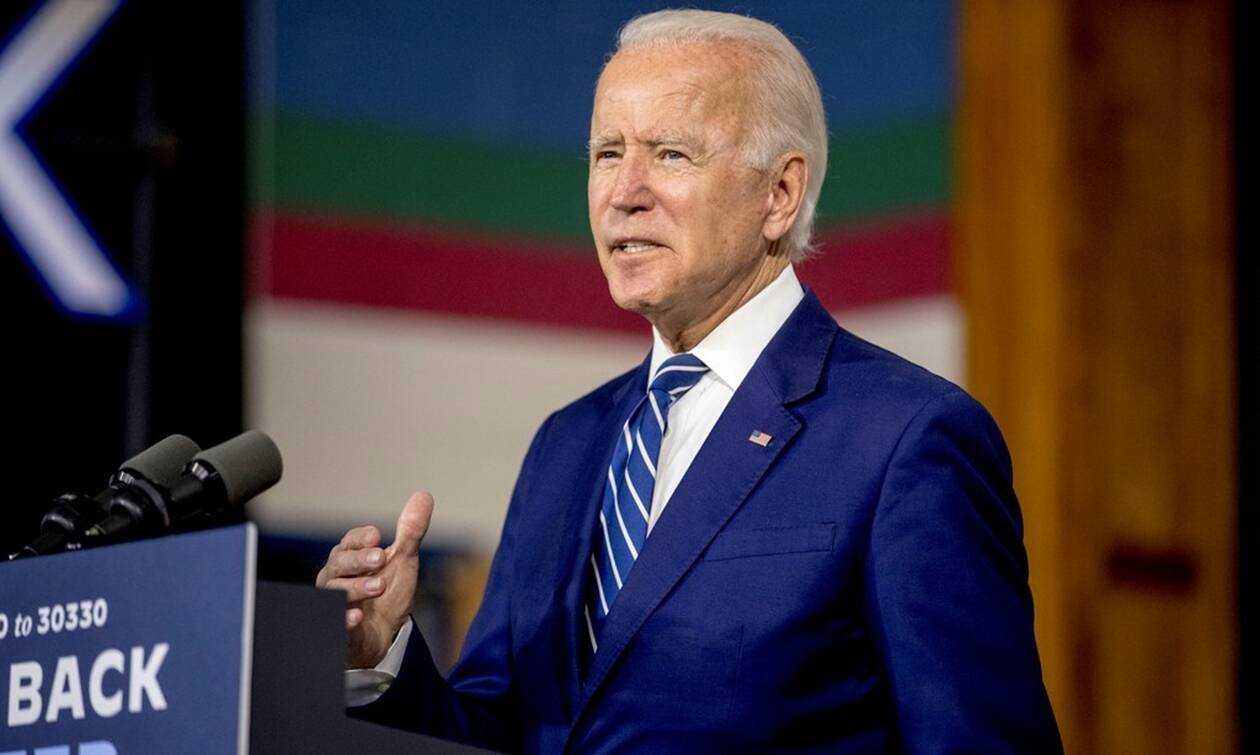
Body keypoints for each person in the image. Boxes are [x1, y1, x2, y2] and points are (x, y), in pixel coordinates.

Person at [316, 9, 1062, 753]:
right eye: (608, 153)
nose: (624, 192)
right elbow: (495, 732)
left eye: (671, 154)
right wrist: (379, 658)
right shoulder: (566, 443)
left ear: (780, 194)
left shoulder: (907, 439)